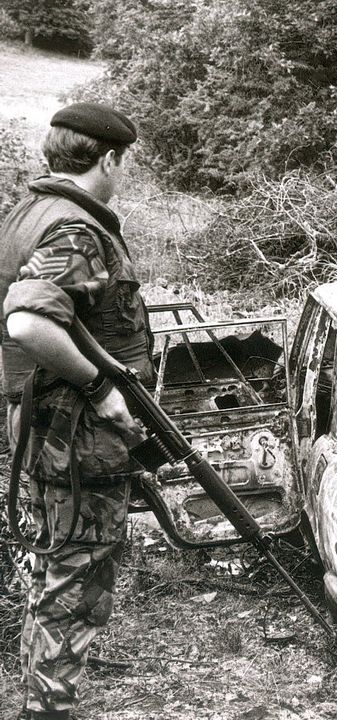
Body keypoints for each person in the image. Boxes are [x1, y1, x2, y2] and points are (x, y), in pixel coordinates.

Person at [0, 103, 152, 720]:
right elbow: (28, 322)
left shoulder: (27, 211)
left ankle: (43, 694)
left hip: (41, 424)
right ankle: (49, 709)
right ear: (109, 159)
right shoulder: (75, 228)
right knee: (77, 579)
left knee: (55, 563)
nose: (124, 172)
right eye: (125, 163)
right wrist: (100, 388)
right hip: (77, 432)